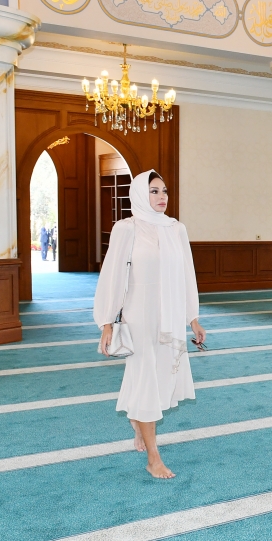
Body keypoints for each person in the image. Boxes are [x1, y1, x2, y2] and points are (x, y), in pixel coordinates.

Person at [94, 170, 206, 479]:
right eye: (154, 191)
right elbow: (113, 276)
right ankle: (153, 458)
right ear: (140, 194)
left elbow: (187, 275)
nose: (162, 196)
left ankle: (139, 422)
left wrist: (193, 318)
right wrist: (107, 320)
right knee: (146, 379)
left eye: (164, 191)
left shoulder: (176, 229)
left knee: (162, 377)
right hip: (140, 317)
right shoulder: (126, 229)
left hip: (171, 316)